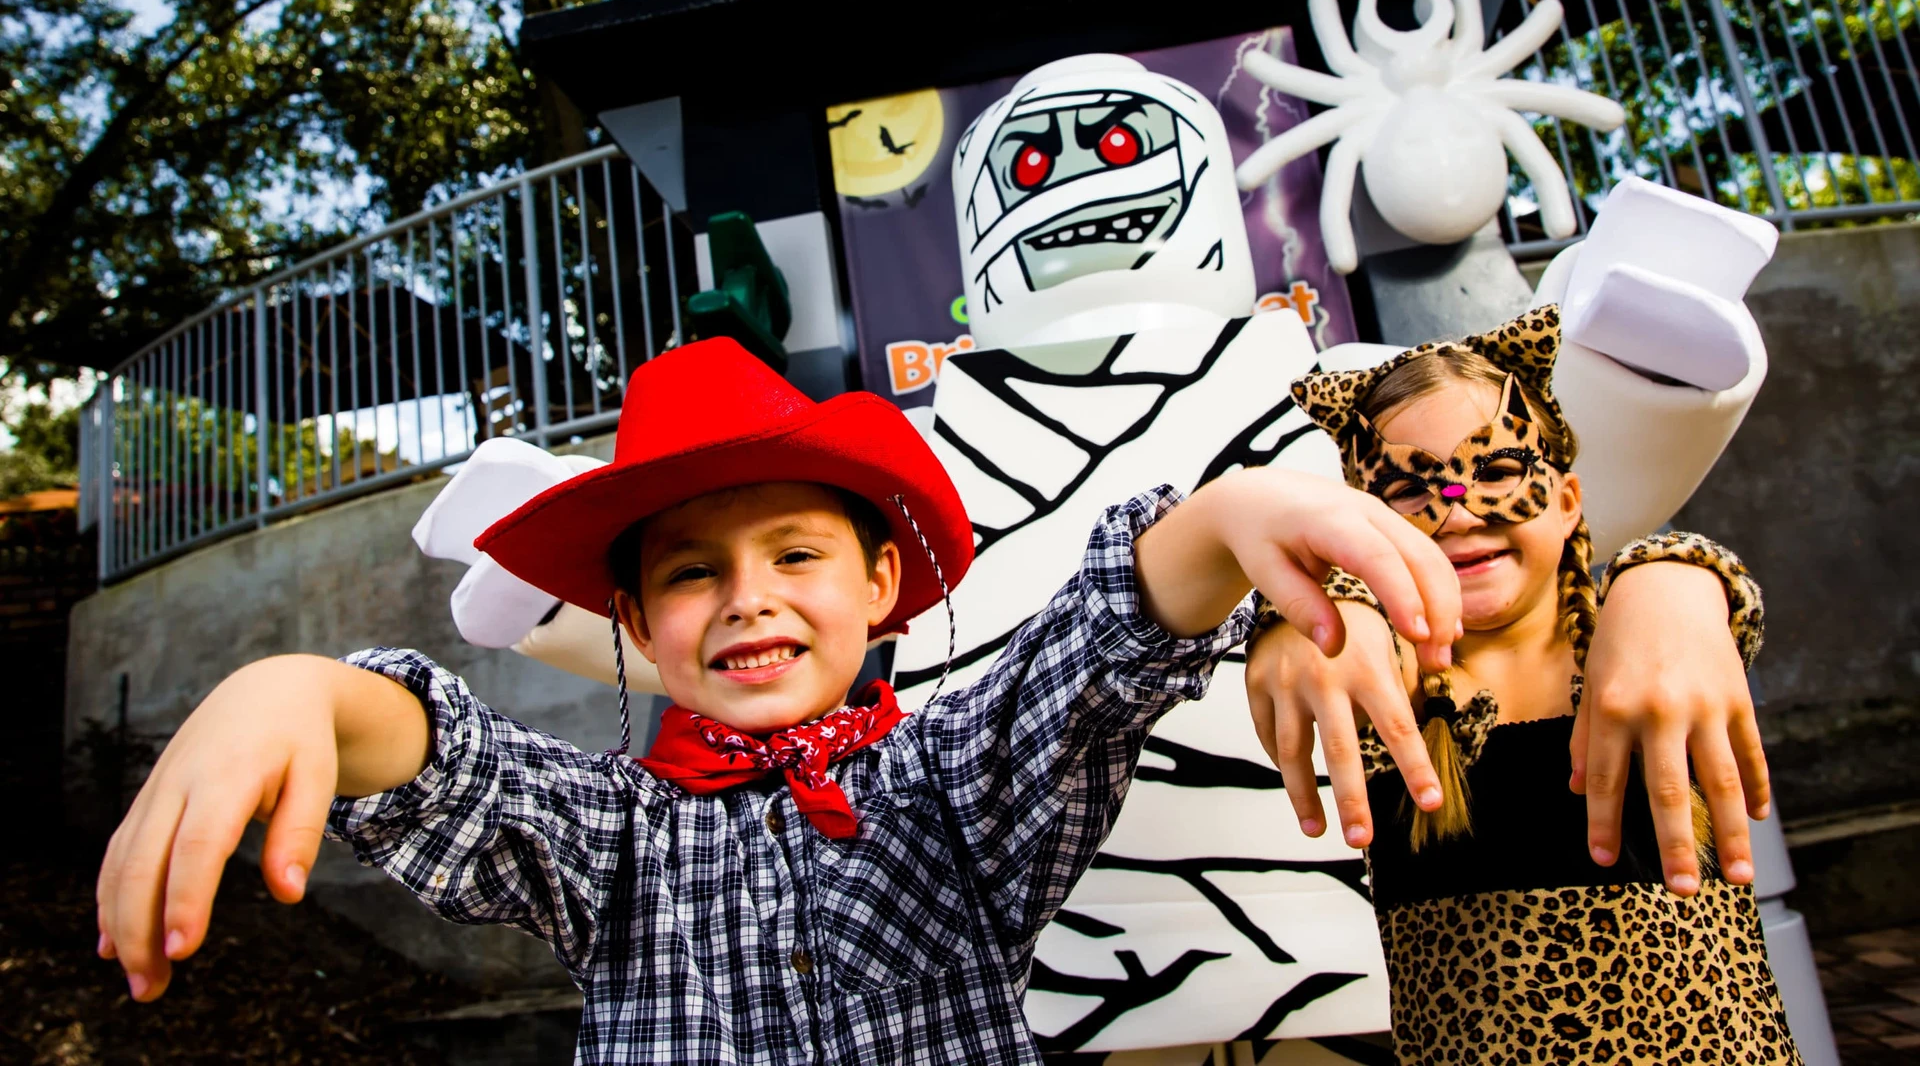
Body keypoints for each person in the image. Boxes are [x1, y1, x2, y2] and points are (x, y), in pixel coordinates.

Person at [93, 336, 1467, 1065]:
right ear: (633, 623)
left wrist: (1234, 510)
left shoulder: (952, 785)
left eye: (795, 555)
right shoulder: (615, 841)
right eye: (692, 573)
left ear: (879, 582)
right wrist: (300, 693)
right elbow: (454, 767)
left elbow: (1096, 640)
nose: (747, 598)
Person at [1245, 306, 1798, 1064]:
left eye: (1498, 469)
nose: (1457, 509)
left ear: (1569, 500)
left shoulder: (1647, 640)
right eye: (1409, 491)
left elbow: (1714, 609)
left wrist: (1676, 576)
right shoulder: (1383, 688)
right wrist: (1306, 613)